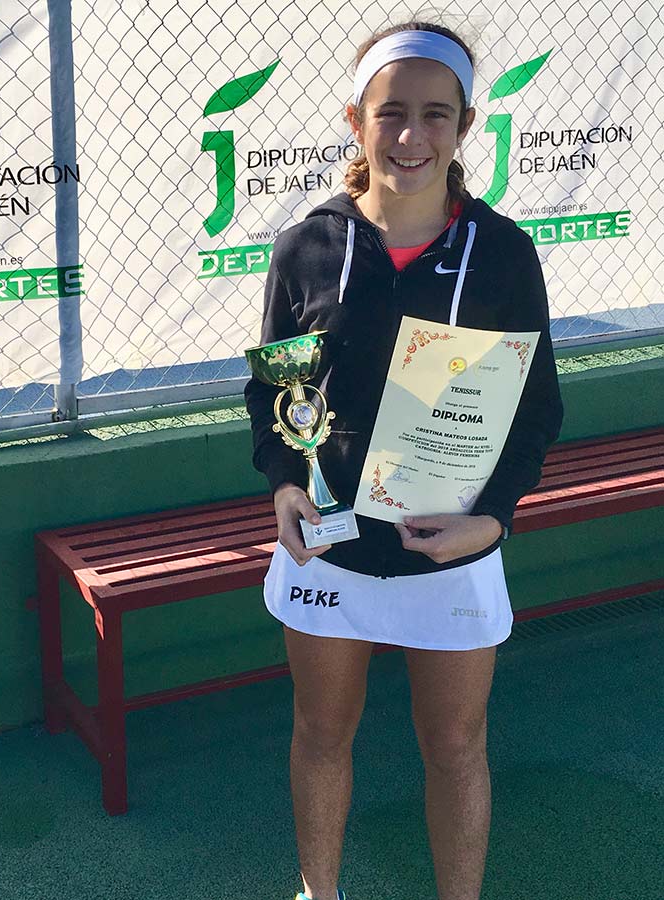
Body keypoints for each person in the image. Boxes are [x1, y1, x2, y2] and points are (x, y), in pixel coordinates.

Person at [243, 21, 564, 900]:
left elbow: (536, 409)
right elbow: (277, 388)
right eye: (391, 112)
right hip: (329, 542)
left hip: (451, 545)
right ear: (357, 120)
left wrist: (492, 519)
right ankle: (321, 892)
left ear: (465, 126)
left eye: (435, 114)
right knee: (321, 733)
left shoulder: (503, 253)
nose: (411, 135)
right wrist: (283, 482)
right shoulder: (306, 246)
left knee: (456, 746)